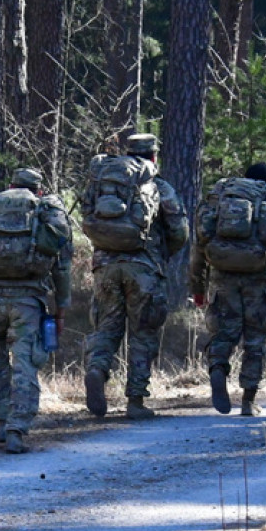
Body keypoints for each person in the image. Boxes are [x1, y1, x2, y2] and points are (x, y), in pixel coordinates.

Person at [0, 168, 72, 452]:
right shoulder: (44, 210)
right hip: (29, 302)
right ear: (39, 190)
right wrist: (60, 309)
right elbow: (60, 266)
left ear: (10, 185)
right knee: (25, 364)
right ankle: (16, 429)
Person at [82, 133, 188, 419]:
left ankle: (97, 369)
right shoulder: (159, 187)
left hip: (105, 267)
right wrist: (164, 254)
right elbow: (179, 231)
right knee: (143, 333)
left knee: (106, 328)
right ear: (154, 156)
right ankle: (136, 401)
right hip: (144, 269)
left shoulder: (104, 184)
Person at [190, 162, 266, 416]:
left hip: (222, 276)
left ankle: (217, 368)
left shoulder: (221, 195)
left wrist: (198, 287)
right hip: (258, 279)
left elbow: (199, 246)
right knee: (255, 341)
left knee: (224, 333)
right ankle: (248, 401)